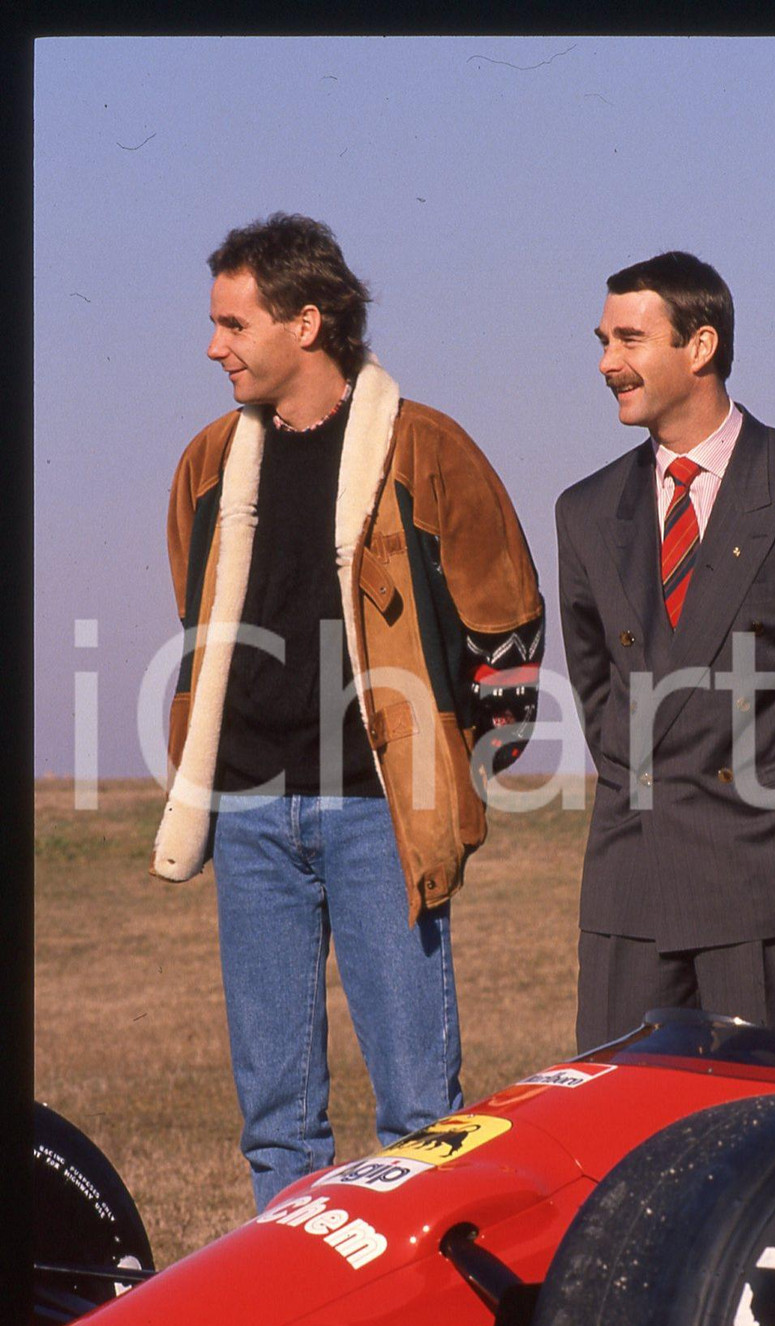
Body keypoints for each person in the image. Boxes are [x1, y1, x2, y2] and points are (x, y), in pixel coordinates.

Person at [152, 213, 543, 1211]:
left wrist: (453, 772)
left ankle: (425, 1312)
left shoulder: (427, 447)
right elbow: (195, 617)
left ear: (307, 322)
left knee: (419, 1113)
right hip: (247, 816)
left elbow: (506, 619)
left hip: (378, 810)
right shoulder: (205, 462)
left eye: (234, 323)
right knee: (277, 1122)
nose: (213, 346)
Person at [557, 250, 775, 1055]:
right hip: (632, 894)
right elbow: (601, 697)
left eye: (628, 339)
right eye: (601, 340)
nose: (607, 363)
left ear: (701, 345)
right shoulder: (583, 512)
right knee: (625, 1151)